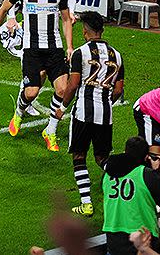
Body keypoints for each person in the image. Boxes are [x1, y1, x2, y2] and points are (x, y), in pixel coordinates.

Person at [0, 0, 73, 152]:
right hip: (32, 49)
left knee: (62, 89)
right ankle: (19, 111)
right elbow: (2, 10)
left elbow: (66, 19)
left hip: (54, 48)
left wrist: (69, 46)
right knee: (32, 92)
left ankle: (50, 130)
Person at [56, 11, 124, 217]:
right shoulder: (117, 55)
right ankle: (125, 185)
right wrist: (105, 102)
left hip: (83, 113)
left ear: (85, 32)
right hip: (106, 114)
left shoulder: (80, 53)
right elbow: (119, 90)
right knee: (102, 157)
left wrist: (62, 107)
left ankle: (86, 203)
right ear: (101, 31)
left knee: (79, 155)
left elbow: (73, 84)